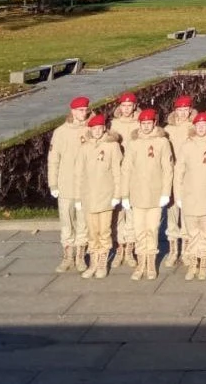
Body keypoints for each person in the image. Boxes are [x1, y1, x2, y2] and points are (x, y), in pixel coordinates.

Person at [120, 108, 174, 281]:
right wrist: (124, 194)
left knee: (152, 229)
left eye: (149, 123)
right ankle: (140, 263)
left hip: (155, 194)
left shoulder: (162, 142)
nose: (145, 126)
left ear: (154, 123)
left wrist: (166, 192)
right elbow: (126, 169)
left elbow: (168, 169)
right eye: (143, 123)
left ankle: (150, 263)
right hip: (137, 194)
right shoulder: (133, 143)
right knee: (139, 230)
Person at [173, 112, 206, 281]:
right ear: (194, 127)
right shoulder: (186, 146)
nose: (201, 128)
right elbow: (179, 172)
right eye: (198, 125)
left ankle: (203, 263)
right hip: (190, 197)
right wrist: (178, 195)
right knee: (192, 232)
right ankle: (193, 262)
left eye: (204, 125)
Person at [73, 113, 122, 280]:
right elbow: (79, 174)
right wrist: (78, 197)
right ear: (90, 130)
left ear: (104, 129)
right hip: (89, 196)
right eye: (94, 129)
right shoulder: (84, 147)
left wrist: (117, 194)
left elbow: (117, 172)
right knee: (92, 232)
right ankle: (93, 262)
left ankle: (102, 263)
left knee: (104, 231)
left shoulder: (112, 146)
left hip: (106, 196)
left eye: (100, 128)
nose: (97, 131)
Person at [47, 96, 91, 273]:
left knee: (83, 223)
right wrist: (53, 184)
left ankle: (80, 257)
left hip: (85, 186)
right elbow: (53, 159)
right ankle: (67, 257)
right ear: (72, 111)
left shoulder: (91, 129)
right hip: (66, 184)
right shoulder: (61, 132)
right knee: (67, 223)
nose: (83, 113)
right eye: (80, 110)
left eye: (85, 110)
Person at [108, 92, 140, 269]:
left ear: (134, 106)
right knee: (118, 213)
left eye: (130, 106)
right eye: (124, 106)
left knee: (132, 212)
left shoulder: (140, 123)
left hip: (135, 173)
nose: (127, 109)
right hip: (118, 172)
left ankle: (130, 248)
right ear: (120, 107)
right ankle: (120, 247)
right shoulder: (114, 124)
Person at [163, 94, 195, 268]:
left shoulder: (195, 127)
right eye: (180, 110)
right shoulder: (168, 129)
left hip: (189, 176)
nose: (182, 113)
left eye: (185, 110)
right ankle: (173, 250)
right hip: (172, 174)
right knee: (172, 213)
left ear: (190, 110)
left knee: (187, 214)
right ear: (175, 111)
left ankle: (186, 250)